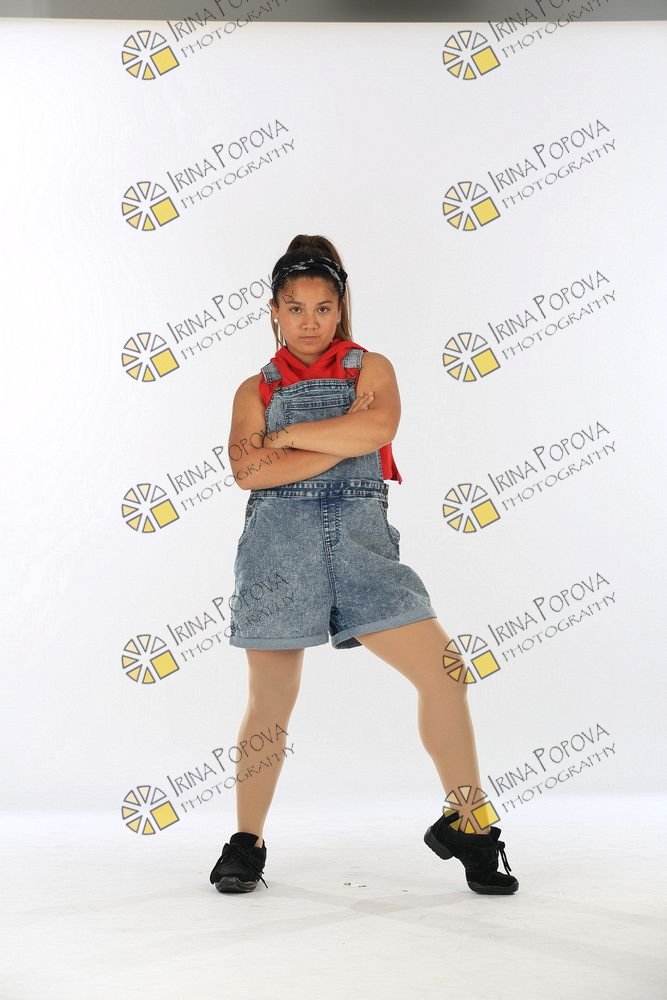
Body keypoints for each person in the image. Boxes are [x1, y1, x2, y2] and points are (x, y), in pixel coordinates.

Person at [209, 235, 519, 896]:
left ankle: (468, 823)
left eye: (323, 307)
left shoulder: (371, 369)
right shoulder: (251, 389)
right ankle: (246, 841)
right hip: (278, 550)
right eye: (296, 308)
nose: (310, 322)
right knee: (269, 700)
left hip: (361, 548)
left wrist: (286, 437)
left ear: (341, 307)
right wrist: (335, 437)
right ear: (274, 311)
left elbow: (377, 432)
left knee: (446, 673)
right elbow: (247, 470)